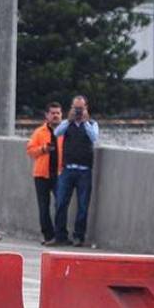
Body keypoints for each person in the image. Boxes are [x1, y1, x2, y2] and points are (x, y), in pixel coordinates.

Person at [53, 95, 99, 247]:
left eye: (81, 108)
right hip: (68, 169)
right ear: (71, 108)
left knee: (83, 206)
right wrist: (69, 119)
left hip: (84, 171)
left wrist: (85, 122)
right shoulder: (67, 124)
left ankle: (79, 236)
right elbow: (56, 133)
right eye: (75, 108)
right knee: (60, 203)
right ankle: (60, 235)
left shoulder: (92, 124)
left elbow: (94, 138)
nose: (78, 111)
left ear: (86, 108)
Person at [27, 102, 65, 245]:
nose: (55, 116)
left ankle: (60, 235)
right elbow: (30, 150)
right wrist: (43, 149)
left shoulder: (64, 132)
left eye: (58, 113)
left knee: (60, 205)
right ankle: (48, 235)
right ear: (47, 115)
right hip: (41, 174)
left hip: (59, 174)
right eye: (53, 113)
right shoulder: (39, 132)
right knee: (44, 207)